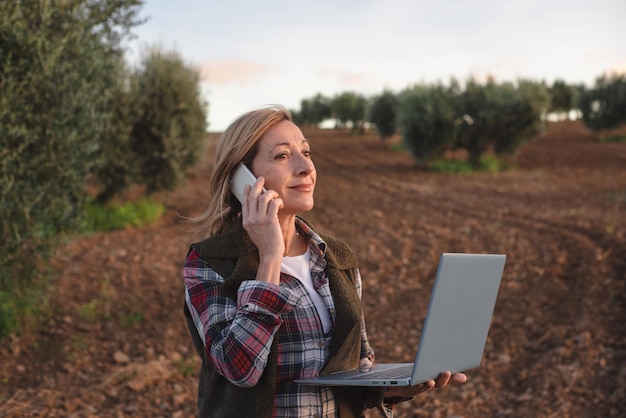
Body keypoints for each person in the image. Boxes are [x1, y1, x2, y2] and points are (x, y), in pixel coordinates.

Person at [183, 105, 466, 418]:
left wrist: (397, 387)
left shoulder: (336, 257)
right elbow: (239, 368)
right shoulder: (210, 262)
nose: (305, 166)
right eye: (282, 155)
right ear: (243, 179)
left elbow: (355, 368)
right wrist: (270, 255)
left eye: (306, 152)